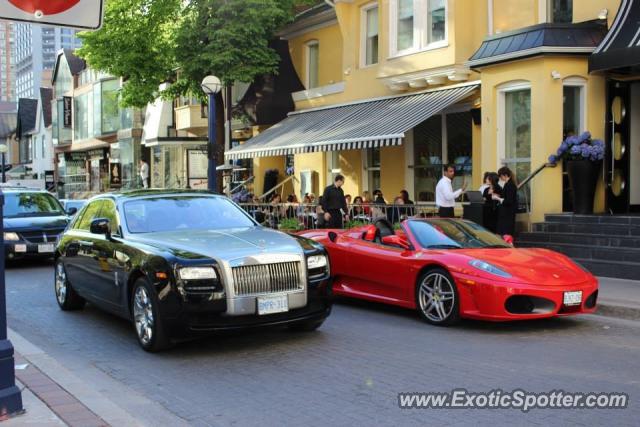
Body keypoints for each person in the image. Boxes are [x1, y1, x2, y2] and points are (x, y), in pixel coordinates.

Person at [493, 167, 518, 237]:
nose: (500, 178)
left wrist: (498, 198)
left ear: (505, 175)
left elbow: (509, 201)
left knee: (506, 235)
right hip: (506, 214)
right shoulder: (509, 184)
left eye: (501, 176)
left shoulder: (510, 185)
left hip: (507, 214)